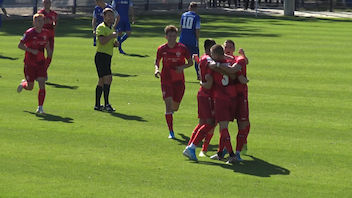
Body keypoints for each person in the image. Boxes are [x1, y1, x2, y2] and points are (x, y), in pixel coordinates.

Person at [154, 25, 193, 139]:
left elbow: (190, 62)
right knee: (168, 106)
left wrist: (183, 67)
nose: (172, 38)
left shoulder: (182, 48)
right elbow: (157, 61)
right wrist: (156, 69)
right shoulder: (161, 49)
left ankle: (171, 113)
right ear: (166, 37)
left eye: (174, 36)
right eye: (170, 36)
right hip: (166, 80)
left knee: (174, 107)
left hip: (179, 81)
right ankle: (171, 132)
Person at [183, 39, 216, 161]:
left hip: (203, 93)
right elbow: (212, 64)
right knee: (210, 123)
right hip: (207, 95)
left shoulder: (203, 57)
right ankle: (192, 147)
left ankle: (189, 147)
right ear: (208, 49)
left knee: (202, 123)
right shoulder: (208, 59)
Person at [16, 13, 53, 114]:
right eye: (37, 21)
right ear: (34, 22)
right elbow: (20, 45)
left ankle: (40, 107)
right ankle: (24, 84)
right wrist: (31, 50)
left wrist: (49, 52)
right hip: (30, 63)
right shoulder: (29, 33)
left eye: (41, 21)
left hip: (40, 63)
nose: (39, 23)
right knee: (30, 87)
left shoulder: (45, 33)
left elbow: (47, 44)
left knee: (42, 83)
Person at [223, 39, 251, 156]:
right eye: (226, 47)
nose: (228, 49)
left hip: (240, 95)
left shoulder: (238, 60)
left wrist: (244, 56)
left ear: (234, 49)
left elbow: (243, 63)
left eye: (230, 47)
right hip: (226, 96)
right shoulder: (219, 61)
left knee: (243, 123)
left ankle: (239, 150)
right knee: (223, 124)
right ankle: (223, 150)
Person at [94, 8, 119, 112]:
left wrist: (115, 44)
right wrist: (111, 36)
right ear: (104, 17)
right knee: (108, 79)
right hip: (101, 56)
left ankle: (97, 105)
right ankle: (106, 104)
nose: (110, 18)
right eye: (108, 16)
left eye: (112, 16)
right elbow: (102, 41)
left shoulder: (111, 28)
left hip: (107, 57)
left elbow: (109, 42)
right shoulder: (101, 27)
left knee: (101, 81)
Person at [179, 2, 200, 80]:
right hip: (191, 40)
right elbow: (197, 30)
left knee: (180, 57)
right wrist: (197, 40)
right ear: (196, 8)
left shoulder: (183, 15)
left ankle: (178, 72)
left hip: (182, 40)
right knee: (196, 57)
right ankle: (198, 74)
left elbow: (181, 28)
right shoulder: (196, 17)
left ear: (189, 7)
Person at [37, 0, 57, 67]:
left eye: (48, 2)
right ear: (43, 3)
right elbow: (37, 24)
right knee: (40, 54)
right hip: (42, 36)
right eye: (45, 2)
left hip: (50, 36)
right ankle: (40, 69)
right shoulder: (40, 13)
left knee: (50, 54)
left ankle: (44, 68)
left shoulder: (54, 14)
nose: (47, 4)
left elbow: (55, 24)